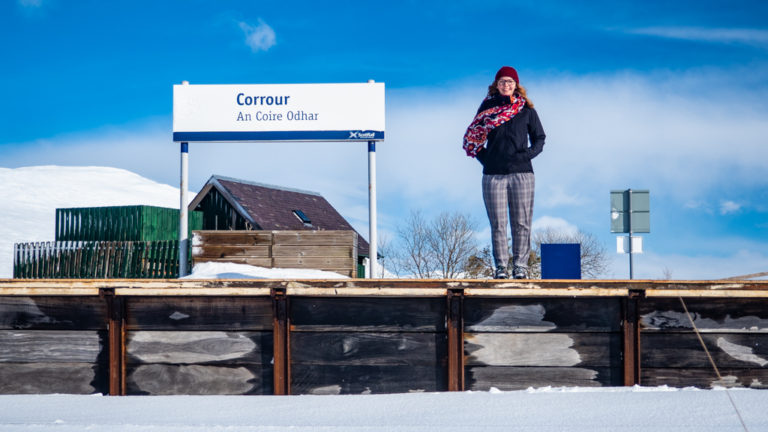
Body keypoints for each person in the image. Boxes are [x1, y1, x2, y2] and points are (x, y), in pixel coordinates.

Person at [463, 66, 546, 279]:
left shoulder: (527, 110)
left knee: (521, 222)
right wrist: (486, 160)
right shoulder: (487, 109)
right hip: (493, 175)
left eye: (510, 82)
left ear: (516, 85)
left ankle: (520, 267)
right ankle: (501, 267)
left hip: (522, 174)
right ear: (496, 85)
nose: (506, 85)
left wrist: (526, 155)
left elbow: (540, 139)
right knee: (498, 223)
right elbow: (473, 138)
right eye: (502, 82)